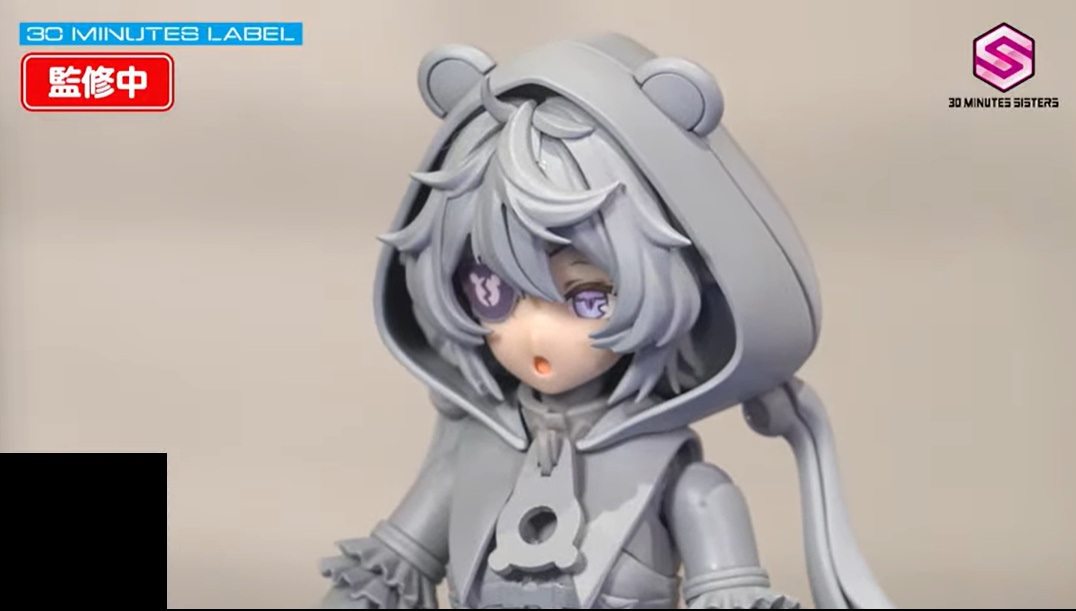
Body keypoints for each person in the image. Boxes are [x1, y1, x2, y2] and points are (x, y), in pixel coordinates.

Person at [318, 33, 895, 610]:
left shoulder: (689, 486)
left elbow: (731, 596)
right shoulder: (469, 458)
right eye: (493, 292)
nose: (535, 334)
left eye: (588, 299)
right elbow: (383, 579)